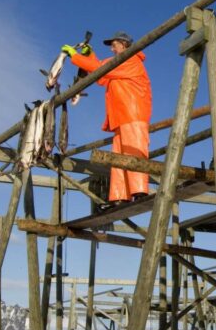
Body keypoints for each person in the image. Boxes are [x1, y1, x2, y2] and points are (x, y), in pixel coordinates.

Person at [62, 31, 152, 208]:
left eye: (114, 44)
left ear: (124, 44)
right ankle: (119, 196)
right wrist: (89, 55)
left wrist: (76, 56)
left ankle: (140, 191)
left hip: (133, 115)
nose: (111, 48)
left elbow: (100, 68)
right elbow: (101, 75)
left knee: (135, 152)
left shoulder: (130, 60)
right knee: (117, 158)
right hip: (120, 118)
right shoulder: (118, 64)